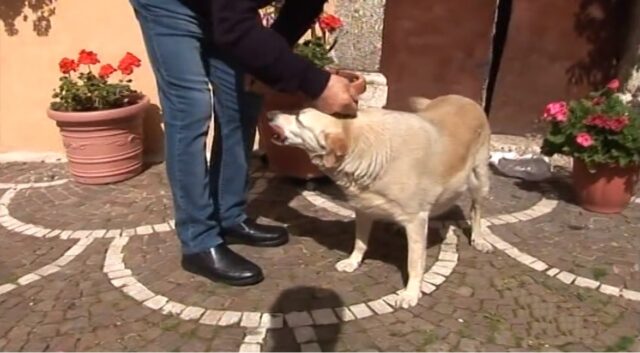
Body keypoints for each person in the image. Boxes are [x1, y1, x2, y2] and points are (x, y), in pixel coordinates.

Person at [129, 0, 358, 287]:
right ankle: (198, 240)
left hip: (223, 8)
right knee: (191, 108)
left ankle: (229, 216)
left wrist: (266, 62)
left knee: (242, 97)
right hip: (169, 5)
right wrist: (316, 83)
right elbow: (233, 25)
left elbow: (303, 5)